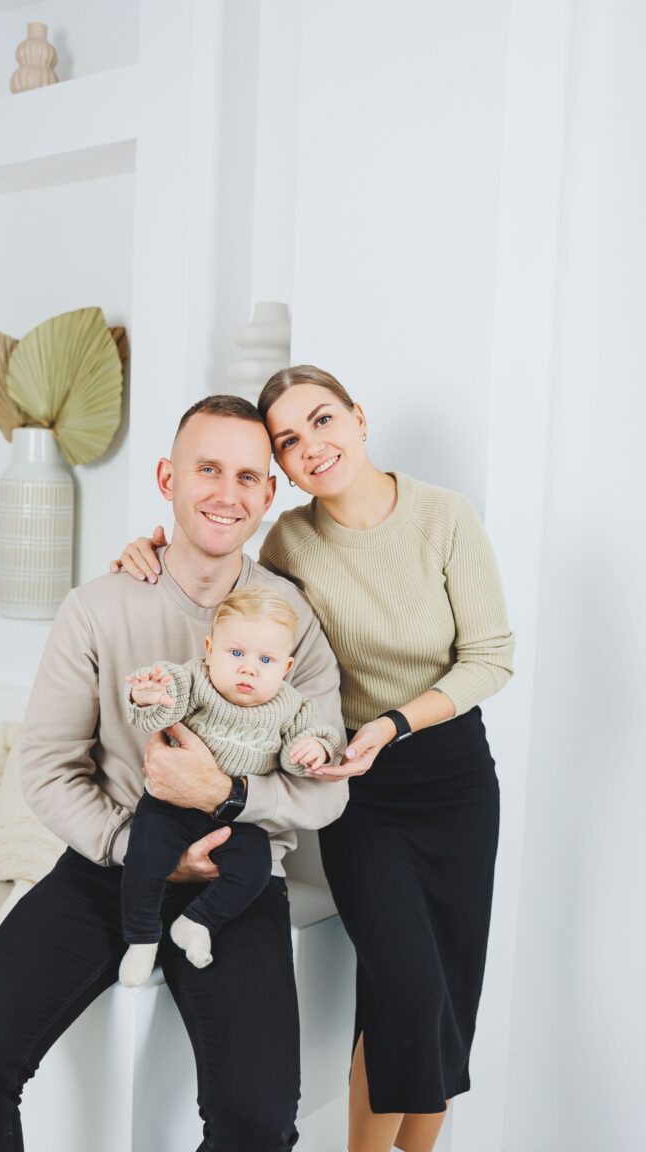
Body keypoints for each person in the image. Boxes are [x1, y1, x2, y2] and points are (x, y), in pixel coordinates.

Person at [0, 394, 348, 1152]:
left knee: (257, 1123)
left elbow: (328, 790)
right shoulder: (98, 607)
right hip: (108, 867)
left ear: (268, 495)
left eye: (248, 477)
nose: (227, 493)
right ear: (168, 477)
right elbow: (50, 766)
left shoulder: (293, 623)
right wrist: (136, 848)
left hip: (240, 882)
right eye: (208, 469)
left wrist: (228, 798)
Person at [113, 365, 515, 1152]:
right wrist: (154, 540)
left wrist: (393, 724)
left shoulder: (445, 517)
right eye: (289, 441)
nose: (311, 447)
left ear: (359, 418)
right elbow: (227, 572)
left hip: (454, 780)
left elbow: (491, 658)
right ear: (284, 467)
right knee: (404, 985)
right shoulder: (290, 538)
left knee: (448, 995)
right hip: (357, 792)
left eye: (323, 421)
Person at [119, 585, 341, 986]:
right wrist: (147, 694)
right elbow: (158, 708)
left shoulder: (293, 706)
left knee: (255, 865)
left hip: (234, 820)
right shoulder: (195, 680)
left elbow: (297, 756)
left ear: (286, 668)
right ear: (209, 649)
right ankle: (141, 938)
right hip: (171, 807)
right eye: (236, 653)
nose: (248, 669)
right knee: (145, 852)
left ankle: (197, 921)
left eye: (266, 659)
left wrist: (314, 750)